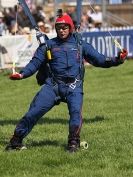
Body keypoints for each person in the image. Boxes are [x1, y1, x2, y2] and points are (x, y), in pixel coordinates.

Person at [5, 13, 128, 153]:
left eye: (65, 27)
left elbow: (99, 59)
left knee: (76, 113)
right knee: (33, 112)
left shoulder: (80, 44)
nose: (62, 30)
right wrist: (21, 74)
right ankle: (15, 142)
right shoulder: (48, 45)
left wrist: (117, 59)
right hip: (53, 86)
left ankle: (73, 143)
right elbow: (35, 63)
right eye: (59, 28)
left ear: (70, 28)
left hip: (74, 87)